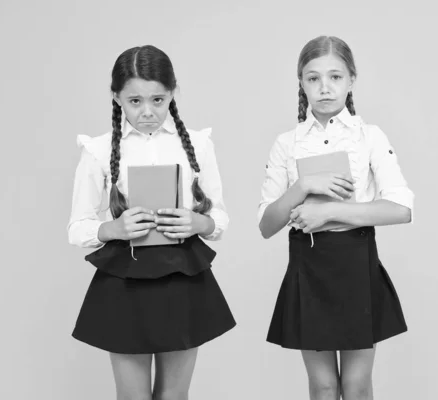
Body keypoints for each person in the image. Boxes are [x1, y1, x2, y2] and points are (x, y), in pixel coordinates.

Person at [68, 45, 235, 400]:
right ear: (116, 98)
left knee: (174, 397)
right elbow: (77, 227)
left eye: (158, 100)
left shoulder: (197, 145)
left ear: (173, 93)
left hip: (183, 275)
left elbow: (219, 217)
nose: (147, 112)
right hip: (125, 280)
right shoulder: (98, 150)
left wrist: (196, 223)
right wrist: (113, 229)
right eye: (135, 101)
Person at [258, 36, 414, 400]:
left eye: (335, 77)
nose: (324, 88)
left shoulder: (369, 137)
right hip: (308, 265)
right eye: (313, 79)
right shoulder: (287, 143)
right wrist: (304, 186)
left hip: (356, 263)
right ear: (301, 82)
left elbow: (401, 208)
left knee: (356, 386)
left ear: (352, 80)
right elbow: (267, 225)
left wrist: (329, 210)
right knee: (324, 386)